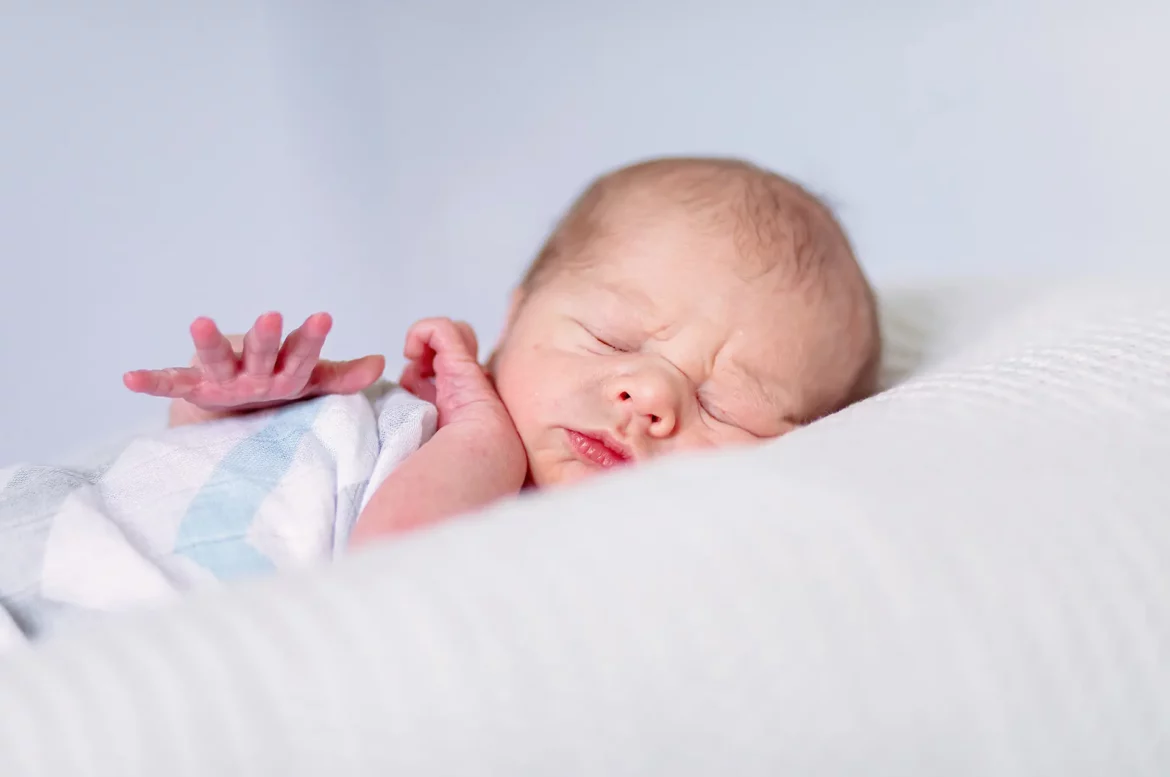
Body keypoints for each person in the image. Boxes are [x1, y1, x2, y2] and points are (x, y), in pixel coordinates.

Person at [125, 156, 882, 544]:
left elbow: (392, 569)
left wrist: (483, 439)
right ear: (514, 322)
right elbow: (186, 499)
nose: (650, 396)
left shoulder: (587, 552)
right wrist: (230, 406)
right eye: (608, 340)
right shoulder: (398, 421)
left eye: (725, 405)